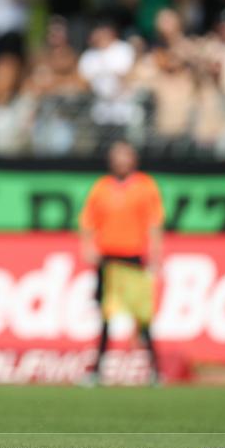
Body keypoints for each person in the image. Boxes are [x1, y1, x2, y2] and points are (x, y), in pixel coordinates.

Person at [79, 141, 164, 386]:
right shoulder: (101, 188)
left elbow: (154, 223)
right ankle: (97, 371)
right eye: (117, 156)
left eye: (125, 156)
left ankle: (154, 371)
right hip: (108, 260)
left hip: (134, 259)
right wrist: (88, 247)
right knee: (105, 317)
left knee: (142, 317)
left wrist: (156, 256)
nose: (120, 161)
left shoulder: (145, 186)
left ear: (133, 160)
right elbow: (87, 221)